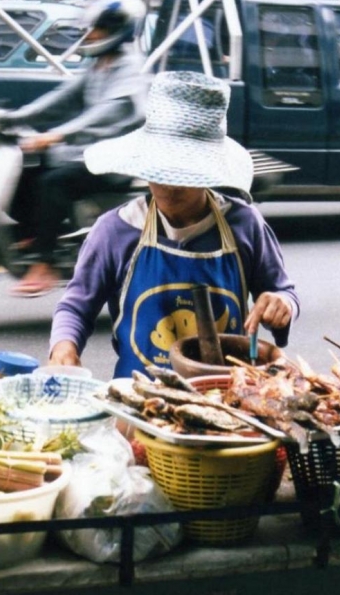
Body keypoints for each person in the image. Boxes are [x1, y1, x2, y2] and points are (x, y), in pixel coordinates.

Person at [47, 71, 299, 378]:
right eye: (160, 168)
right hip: (139, 400)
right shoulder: (115, 230)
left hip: (231, 400)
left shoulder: (245, 224)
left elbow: (282, 291)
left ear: (208, 169)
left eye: (183, 172)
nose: (168, 184)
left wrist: (281, 305)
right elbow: (75, 307)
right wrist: (64, 347)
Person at [0, 0, 149, 298]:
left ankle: (44, 263)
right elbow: (61, 97)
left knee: (55, 183)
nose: (89, 34)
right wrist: (13, 118)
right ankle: (34, 235)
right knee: (27, 169)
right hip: (90, 152)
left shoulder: (130, 69)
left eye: (97, 28)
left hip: (115, 160)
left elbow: (105, 113)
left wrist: (58, 135)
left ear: (119, 29)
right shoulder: (100, 63)